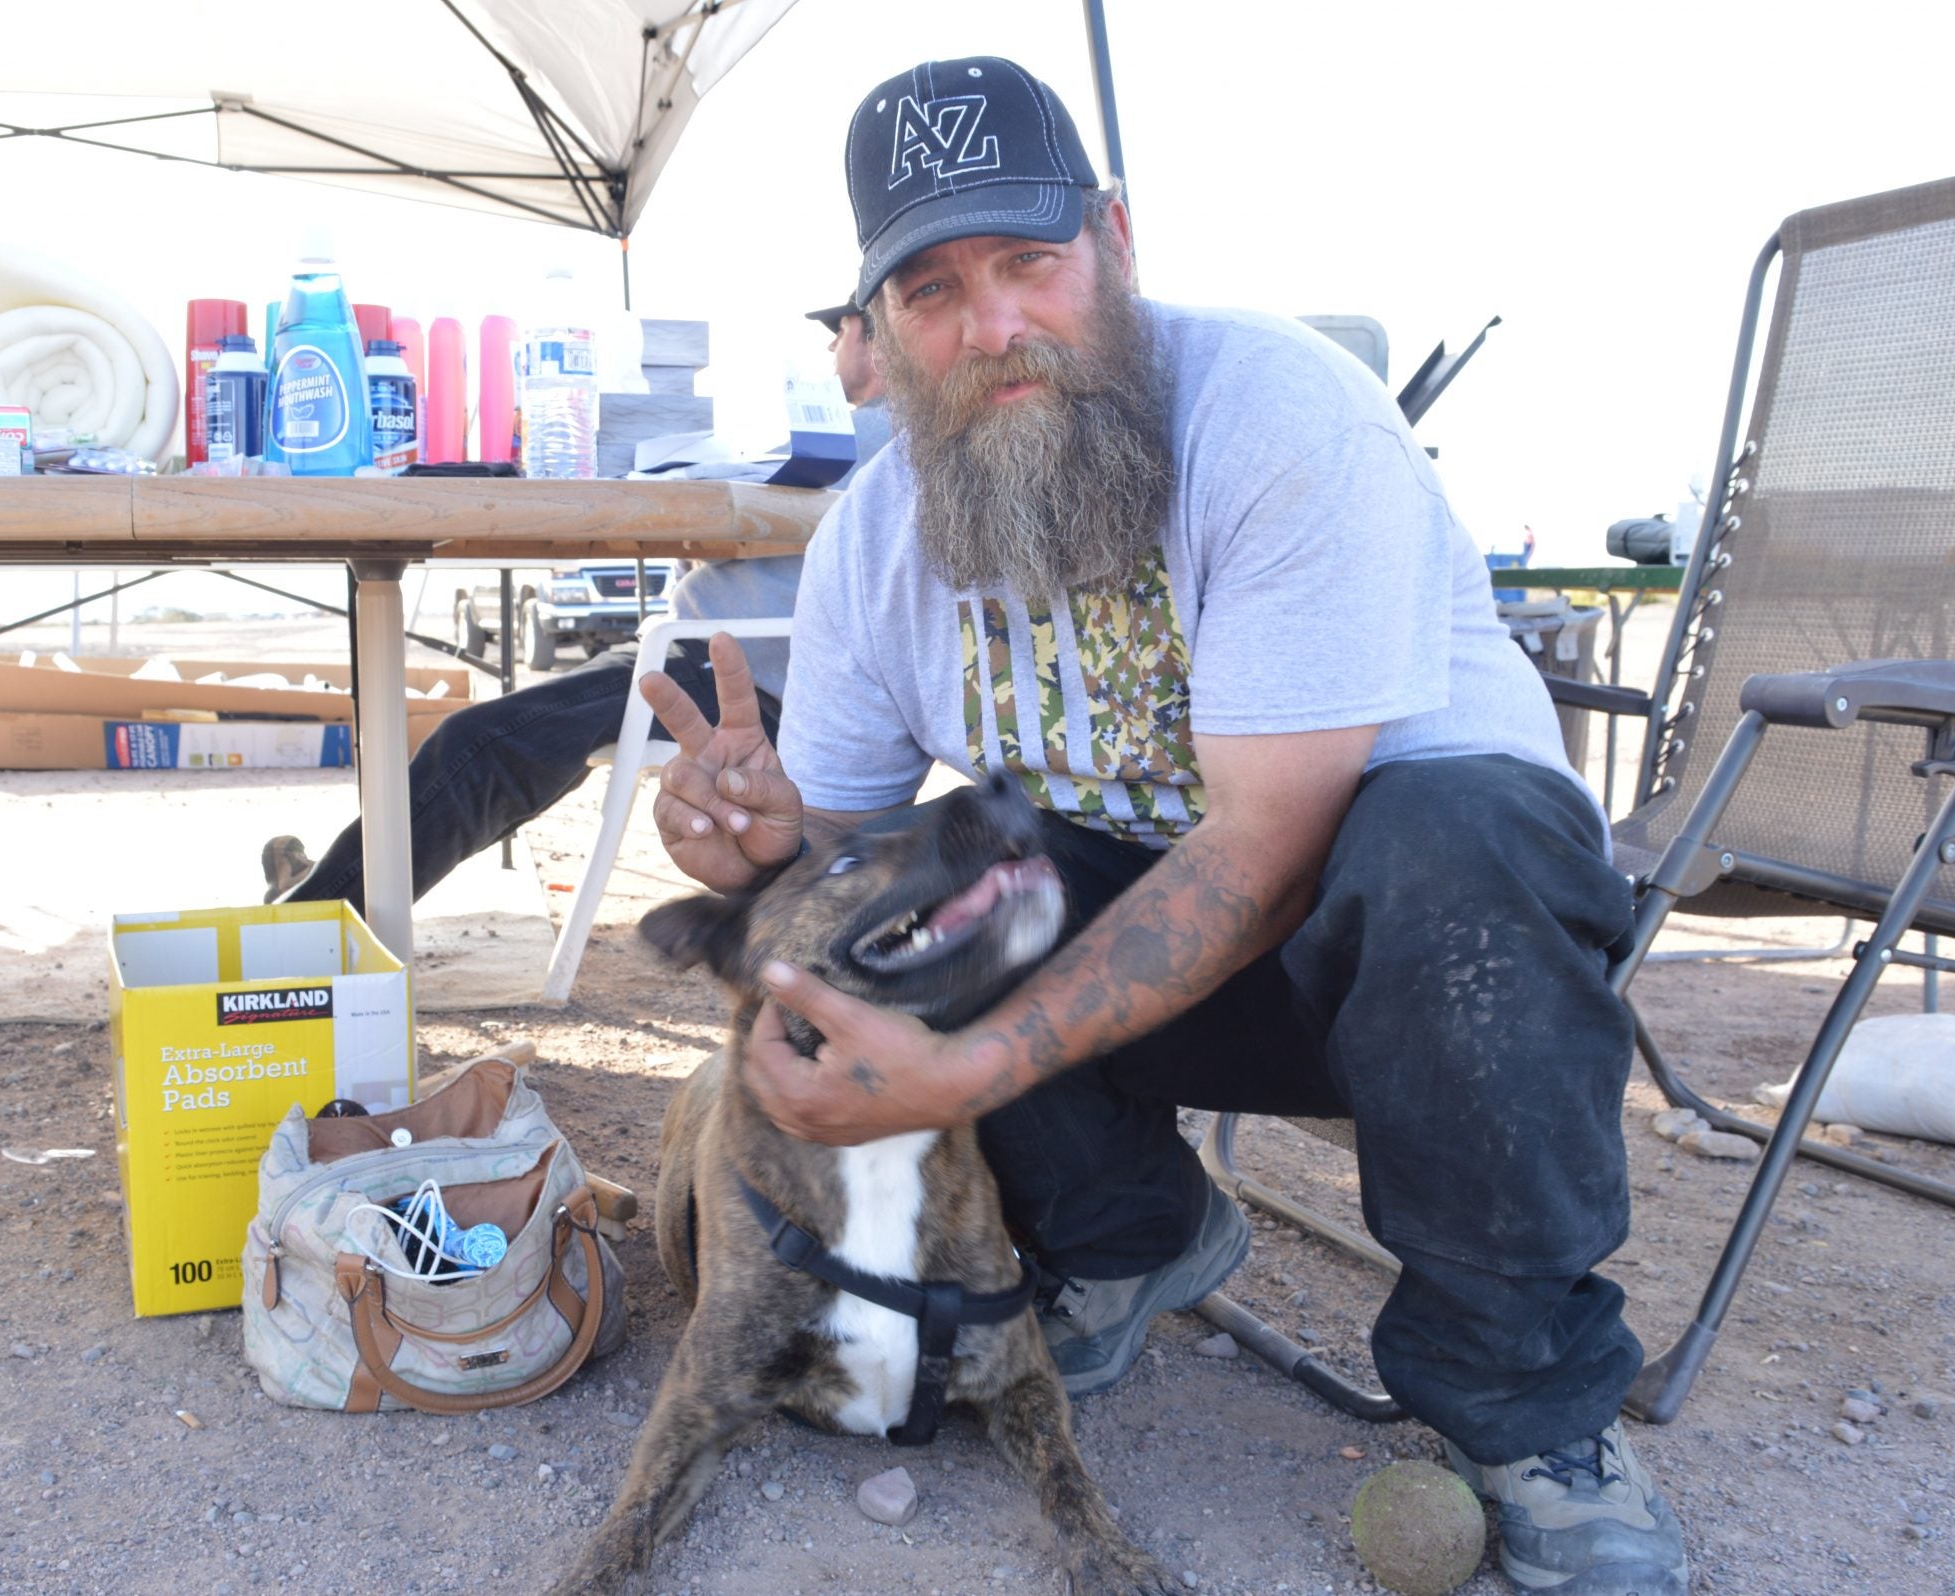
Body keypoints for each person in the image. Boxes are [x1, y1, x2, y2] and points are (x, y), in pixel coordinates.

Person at [641, 56, 1687, 1596]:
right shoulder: (879, 539)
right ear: (876, 331)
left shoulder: (1276, 415)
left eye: (1028, 262)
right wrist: (756, 849)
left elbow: (1263, 850)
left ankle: (1527, 1401)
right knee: (913, 892)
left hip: (1423, 962)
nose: (994, 327)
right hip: (1159, 982)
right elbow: (837, 887)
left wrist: (971, 1062)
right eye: (933, 290)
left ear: (1114, 244)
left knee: (1453, 832)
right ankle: (1134, 1238)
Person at [260, 304, 888, 911]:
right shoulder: (869, 440)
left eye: (838, 334)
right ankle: (325, 889)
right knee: (513, 742)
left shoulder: (874, 435)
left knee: (485, 745)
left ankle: (304, 924)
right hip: (703, 656)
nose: (830, 351)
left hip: (736, 678)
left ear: (868, 332)